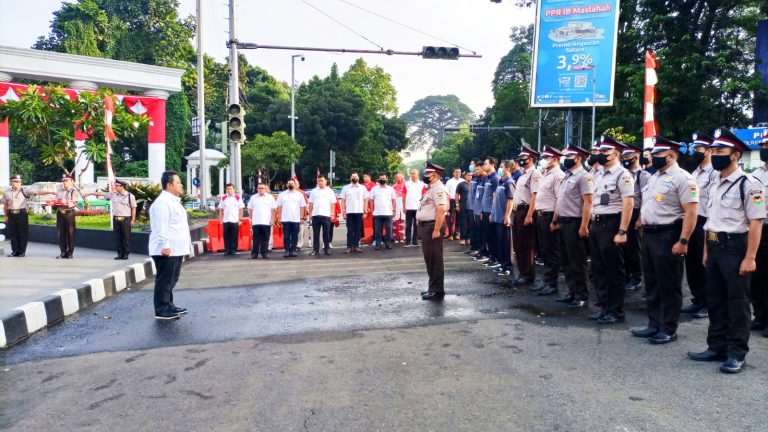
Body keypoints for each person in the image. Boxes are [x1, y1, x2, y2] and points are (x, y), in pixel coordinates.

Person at [688, 128, 765, 373]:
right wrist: (706, 251)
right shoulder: (715, 182)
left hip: (735, 247)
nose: (714, 155)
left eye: (720, 151)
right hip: (713, 245)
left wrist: (751, 257)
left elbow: (755, 222)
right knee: (715, 300)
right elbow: (710, 219)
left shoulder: (749, 184)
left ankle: (736, 352)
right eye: (712, 151)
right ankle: (716, 346)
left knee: (737, 301)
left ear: (735, 155)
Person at [631, 136, 698, 344]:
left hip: (668, 234)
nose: (653, 157)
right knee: (652, 282)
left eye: (658, 154)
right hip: (649, 235)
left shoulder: (683, 178)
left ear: (671, 156)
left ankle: (668, 328)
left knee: (668, 283)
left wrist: (683, 240)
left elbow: (691, 212)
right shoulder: (654, 177)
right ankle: (654, 324)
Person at [588, 135, 634, 325]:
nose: (601, 154)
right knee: (598, 268)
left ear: (616, 153)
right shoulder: (598, 174)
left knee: (613, 270)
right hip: (597, 224)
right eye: (601, 151)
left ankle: (616, 311)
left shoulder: (622, 174)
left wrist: (622, 231)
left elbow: (628, 203)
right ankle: (603, 307)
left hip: (612, 224)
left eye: (605, 151)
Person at [551, 146, 593, 309]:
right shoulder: (566, 176)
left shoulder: (584, 176)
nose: (565, 158)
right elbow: (560, 200)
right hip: (562, 221)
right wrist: (555, 220)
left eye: (568, 155)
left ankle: (582, 295)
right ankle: (571, 292)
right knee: (566, 260)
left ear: (578, 158)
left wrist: (584, 225)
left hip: (575, 223)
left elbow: (588, 202)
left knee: (577, 261)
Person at [683, 132, 718, 318]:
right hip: (693, 221)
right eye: (694, 148)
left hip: (707, 221)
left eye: (698, 148)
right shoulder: (695, 172)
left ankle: (708, 303)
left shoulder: (714, 172)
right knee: (692, 263)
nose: (694, 151)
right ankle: (697, 299)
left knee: (705, 263)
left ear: (709, 150)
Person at [149, 171, 191, 320]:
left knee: (171, 279)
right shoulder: (163, 203)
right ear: (169, 185)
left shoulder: (173, 201)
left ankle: (169, 305)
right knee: (165, 280)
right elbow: (162, 226)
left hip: (175, 249)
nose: (181, 185)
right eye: (178, 182)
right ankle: (161, 309)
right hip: (166, 249)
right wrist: (165, 245)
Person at [531, 146, 565, 296]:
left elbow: (560, 199)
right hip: (541, 215)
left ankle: (552, 283)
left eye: (546, 158)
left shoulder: (558, 175)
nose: (543, 161)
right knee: (544, 250)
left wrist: (555, 220)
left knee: (552, 251)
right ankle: (546, 281)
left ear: (555, 159)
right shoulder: (546, 174)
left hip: (550, 216)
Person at [620, 144, 652, 291]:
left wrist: (640, 218)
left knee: (634, 248)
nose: (625, 159)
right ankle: (626, 274)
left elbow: (646, 198)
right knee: (623, 247)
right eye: (624, 157)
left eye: (627, 157)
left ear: (636, 156)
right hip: (623, 213)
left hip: (636, 213)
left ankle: (637, 276)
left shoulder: (643, 175)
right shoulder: (622, 174)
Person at [417, 162, 450, 300]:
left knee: (434, 259)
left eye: (427, 174)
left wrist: (436, 230)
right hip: (427, 226)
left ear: (435, 175)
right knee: (430, 258)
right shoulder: (431, 188)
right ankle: (433, 287)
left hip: (432, 226)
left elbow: (441, 209)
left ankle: (436, 290)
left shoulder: (438, 189)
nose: (425, 176)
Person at [2, 174, 55, 257]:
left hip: (21, 213)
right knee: (13, 233)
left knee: (22, 233)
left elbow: (37, 192)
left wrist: (50, 192)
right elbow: (5, 204)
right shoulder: (7, 192)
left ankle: (22, 252)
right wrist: (6, 215)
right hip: (11, 214)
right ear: (11, 182)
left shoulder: (25, 190)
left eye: (19, 181)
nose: (18, 183)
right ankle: (15, 251)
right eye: (15, 181)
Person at [511, 147, 542, 285]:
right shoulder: (522, 175)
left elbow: (535, 196)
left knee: (527, 245)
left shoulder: (534, 174)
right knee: (519, 244)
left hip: (526, 210)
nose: (521, 160)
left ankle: (528, 275)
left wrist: (529, 215)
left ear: (531, 159)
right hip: (518, 211)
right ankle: (522, 272)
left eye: (523, 158)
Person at [750, 129, 768, 338]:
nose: (765, 150)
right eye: (762, 146)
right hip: (758, 228)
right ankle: (761, 315)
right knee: (758, 275)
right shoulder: (757, 173)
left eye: (767, 146)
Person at [93, 179, 137, 260]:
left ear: (122, 186)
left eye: (117, 186)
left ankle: (126, 254)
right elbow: (103, 193)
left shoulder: (130, 196)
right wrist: (90, 193)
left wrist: (133, 220)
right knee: (118, 237)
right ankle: (119, 254)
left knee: (126, 237)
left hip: (125, 219)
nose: (115, 187)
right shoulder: (113, 195)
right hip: (116, 219)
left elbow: (133, 208)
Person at [491, 161, 515, 277]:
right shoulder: (501, 181)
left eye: (501, 166)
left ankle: (508, 267)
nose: (500, 168)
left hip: (504, 219)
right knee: (500, 242)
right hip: (498, 217)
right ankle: (502, 264)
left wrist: (507, 216)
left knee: (506, 243)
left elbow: (511, 200)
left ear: (508, 169)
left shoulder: (509, 182)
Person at [54, 175, 86, 259]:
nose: (64, 182)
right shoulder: (59, 191)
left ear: (71, 181)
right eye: (63, 181)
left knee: (70, 233)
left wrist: (66, 203)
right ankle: (63, 252)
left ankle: (70, 252)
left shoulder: (73, 191)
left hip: (69, 214)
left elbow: (74, 203)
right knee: (60, 233)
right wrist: (54, 203)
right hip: (60, 213)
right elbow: (56, 201)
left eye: (66, 181)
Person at [276, 178, 307, 258]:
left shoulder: (299, 195)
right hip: (285, 218)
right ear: (287, 185)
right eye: (289, 183)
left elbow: (302, 207)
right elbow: (279, 207)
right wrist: (279, 217)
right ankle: (286, 250)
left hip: (296, 219)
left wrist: (302, 218)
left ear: (295, 185)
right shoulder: (282, 195)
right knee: (286, 236)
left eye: (292, 183)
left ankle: (293, 250)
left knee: (295, 235)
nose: (291, 185)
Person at [307, 175, 337, 256]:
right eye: (319, 180)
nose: (320, 182)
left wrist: (332, 214)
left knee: (326, 233)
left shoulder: (330, 191)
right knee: (316, 234)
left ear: (325, 181)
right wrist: (310, 214)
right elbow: (310, 204)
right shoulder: (313, 191)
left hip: (326, 215)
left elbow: (332, 204)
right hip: (315, 215)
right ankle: (315, 250)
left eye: (322, 180)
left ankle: (326, 249)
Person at [247, 183, 277, 259]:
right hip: (256, 222)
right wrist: (250, 218)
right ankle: (254, 253)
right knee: (256, 238)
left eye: (262, 188)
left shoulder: (270, 197)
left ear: (265, 189)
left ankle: (264, 253)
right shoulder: (253, 197)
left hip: (266, 222)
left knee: (265, 238)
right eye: (259, 188)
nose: (261, 190)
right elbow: (250, 209)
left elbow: (273, 210)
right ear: (257, 189)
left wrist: (272, 219)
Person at [340, 172, 368, 254]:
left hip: (359, 212)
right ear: (350, 178)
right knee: (350, 230)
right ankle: (349, 247)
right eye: (353, 176)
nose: (354, 177)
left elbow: (366, 199)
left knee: (358, 230)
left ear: (358, 178)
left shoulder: (362, 188)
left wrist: (365, 211)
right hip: (349, 212)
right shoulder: (346, 188)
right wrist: (343, 212)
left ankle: (356, 246)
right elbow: (343, 201)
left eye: (356, 176)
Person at [479, 157, 500, 267]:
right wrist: (482, 211)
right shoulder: (487, 178)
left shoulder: (495, 178)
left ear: (492, 165)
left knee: (492, 236)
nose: (484, 166)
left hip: (490, 212)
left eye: (486, 163)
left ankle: (495, 258)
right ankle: (491, 256)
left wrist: (492, 213)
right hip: (485, 211)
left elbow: (495, 197)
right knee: (487, 235)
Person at [369, 174, 397, 250]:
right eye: (381, 178)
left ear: (386, 179)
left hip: (388, 213)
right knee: (378, 230)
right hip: (377, 213)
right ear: (379, 179)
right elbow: (371, 200)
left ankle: (387, 243)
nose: (383, 179)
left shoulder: (390, 189)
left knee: (389, 229)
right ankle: (378, 244)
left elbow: (394, 200)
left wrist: (394, 210)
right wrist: (372, 210)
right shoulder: (374, 189)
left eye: (384, 178)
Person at [218, 183, 244, 255]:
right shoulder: (223, 198)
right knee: (226, 236)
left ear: (233, 189)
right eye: (228, 189)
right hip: (226, 220)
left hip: (235, 220)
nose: (229, 190)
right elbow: (221, 209)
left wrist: (240, 219)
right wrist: (220, 219)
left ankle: (233, 249)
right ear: (226, 190)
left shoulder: (237, 198)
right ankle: (227, 249)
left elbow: (241, 209)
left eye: (230, 189)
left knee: (234, 236)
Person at [404, 169, 425, 247]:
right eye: (411, 173)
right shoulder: (406, 184)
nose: (412, 175)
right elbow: (404, 195)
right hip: (408, 207)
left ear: (418, 174)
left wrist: (423, 207)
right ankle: (408, 242)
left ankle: (415, 241)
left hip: (418, 208)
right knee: (408, 225)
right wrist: (404, 206)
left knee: (416, 225)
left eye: (414, 173)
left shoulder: (422, 184)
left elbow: (423, 196)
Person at [445, 168, 464, 240]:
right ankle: (450, 234)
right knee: (451, 218)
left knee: (459, 218)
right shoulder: (449, 182)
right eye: (456, 172)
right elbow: (446, 193)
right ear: (453, 173)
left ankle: (456, 234)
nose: (458, 173)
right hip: (452, 201)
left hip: (461, 201)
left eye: (459, 172)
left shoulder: (463, 181)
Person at [455, 171, 472, 245]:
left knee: (470, 223)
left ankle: (468, 238)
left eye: (471, 175)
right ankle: (462, 238)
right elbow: (456, 195)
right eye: (468, 175)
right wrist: (457, 205)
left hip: (471, 207)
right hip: (463, 206)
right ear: (465, 176)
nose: (470, 176)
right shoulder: (461, 184)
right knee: (463, 222)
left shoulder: (474, 184)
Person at [392, 172, 406, 243]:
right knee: (395, 220)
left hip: (403, 203)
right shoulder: (393, 186)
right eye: (397, 177)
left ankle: (401, 237)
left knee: (402, 220)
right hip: (396, 203)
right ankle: (395, 237)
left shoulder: (405, 185)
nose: (399, 178)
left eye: (400, 177)